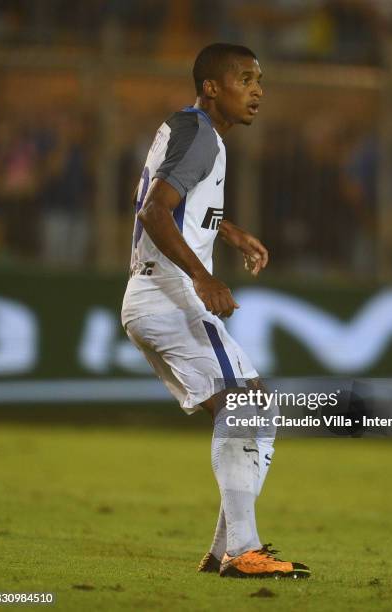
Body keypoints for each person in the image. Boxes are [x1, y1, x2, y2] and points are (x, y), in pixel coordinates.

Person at [121, 43, 310, 579]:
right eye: (246, 79)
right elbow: (155, 211)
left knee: (256, 409)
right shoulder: (202, 135)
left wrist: (228, 231)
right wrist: (203, 277)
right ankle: (241, 550)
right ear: (211, 87)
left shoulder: (186, 130)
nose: (258, 90)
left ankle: (224, 550)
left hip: (153, 296)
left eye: (259, 80)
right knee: (249, 407)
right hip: (170, 295)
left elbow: (174, 204)